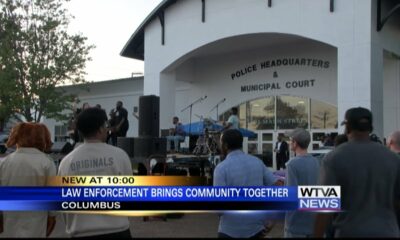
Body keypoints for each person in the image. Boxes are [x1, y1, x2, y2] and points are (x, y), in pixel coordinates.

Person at [315, 107, 400, 238]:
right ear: (370, 128)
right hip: (389, 231)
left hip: (350, 231)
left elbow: (324, 206)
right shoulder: (392, 158)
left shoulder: (334, 158)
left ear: (347, 128)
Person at [58, 108, 132, 238]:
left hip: (80, 231)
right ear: (100, 128)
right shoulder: (120, 155)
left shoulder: (67, 162)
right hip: (117, 229)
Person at [213, 129, 278, 238]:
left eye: (221, 143)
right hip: (257, 229)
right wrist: (273, 218)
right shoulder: (257, 162)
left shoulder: (221, 168)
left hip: (230, 231)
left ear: (226, 145)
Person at [0, 123, 56, 237]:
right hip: (36, 225)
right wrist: (52, 217)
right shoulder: (46, 163)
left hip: (9, 224)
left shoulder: (4, 163)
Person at [284, 128, 320, 238]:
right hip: (313, 222)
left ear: (295, 143)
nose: (289, 142)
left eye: (290, 140)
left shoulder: (292, 164)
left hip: (296, 224)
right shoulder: (316, 162)